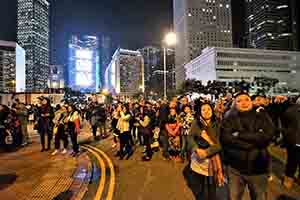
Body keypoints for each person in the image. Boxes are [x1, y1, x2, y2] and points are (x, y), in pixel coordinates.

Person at [220, 91, 275, 200]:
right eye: (239, 101)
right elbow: (226, 139)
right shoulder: (229, 118)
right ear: (234, 104)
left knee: (259, 197)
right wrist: (253, 143)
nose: (244, 103)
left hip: (258, 168)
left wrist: (240, 134)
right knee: (233, 197)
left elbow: (267, 136)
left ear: (252, 101)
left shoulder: (261, 116)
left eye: (247, 99)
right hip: (235, 169)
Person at [188, 102, 224, 200]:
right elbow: (190, 137)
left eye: (208, 109)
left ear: (212, 111)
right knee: (198, 184)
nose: (206, 111)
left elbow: (219, 144)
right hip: (198, 158)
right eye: (203, 110)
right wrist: (196, 149)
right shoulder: (196, 122)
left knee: (212, 185)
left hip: (213, 158)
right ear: (200, 112)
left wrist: (206, 152)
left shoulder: (217, 123)